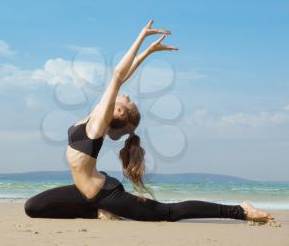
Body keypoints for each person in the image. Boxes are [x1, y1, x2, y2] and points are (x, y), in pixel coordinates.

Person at [24, 20, 274, 223]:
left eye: (127, 101)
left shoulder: (97, 126)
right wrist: (148, 52)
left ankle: (240, 210)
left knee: (167, 213)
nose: (128, 95)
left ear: (120, 111)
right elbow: (123, 77)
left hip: (104, 192)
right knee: (33, 207)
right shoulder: (97, 112)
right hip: (83, 192)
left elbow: (118, 76)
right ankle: (96, 212)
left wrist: (141, 37)